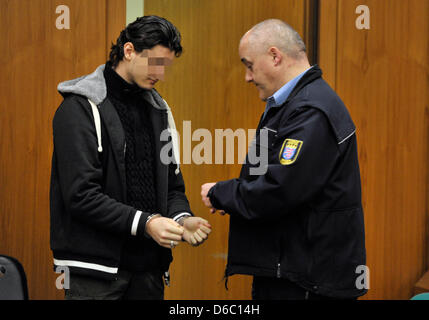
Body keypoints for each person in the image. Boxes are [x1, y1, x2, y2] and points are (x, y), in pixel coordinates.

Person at [201, 19, 367, 300]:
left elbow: (281, 189)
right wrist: (236, 195)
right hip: (294, 272)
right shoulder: (291, 105)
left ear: (275, 57)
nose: (247, 77)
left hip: (306, 282)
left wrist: (222, 193)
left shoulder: (311, 110)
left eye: (249, 65)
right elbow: (263, 177)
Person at [50, 15, 211, 300]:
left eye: (166, 66)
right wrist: (147, 223)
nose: (160, 74)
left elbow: (172, 185)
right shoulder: (78, 108)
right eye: (155, 63)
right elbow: (80, 195)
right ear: (128, 51)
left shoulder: (159, 110)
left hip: (149, 271)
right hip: (95, 274)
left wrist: (182, 219)